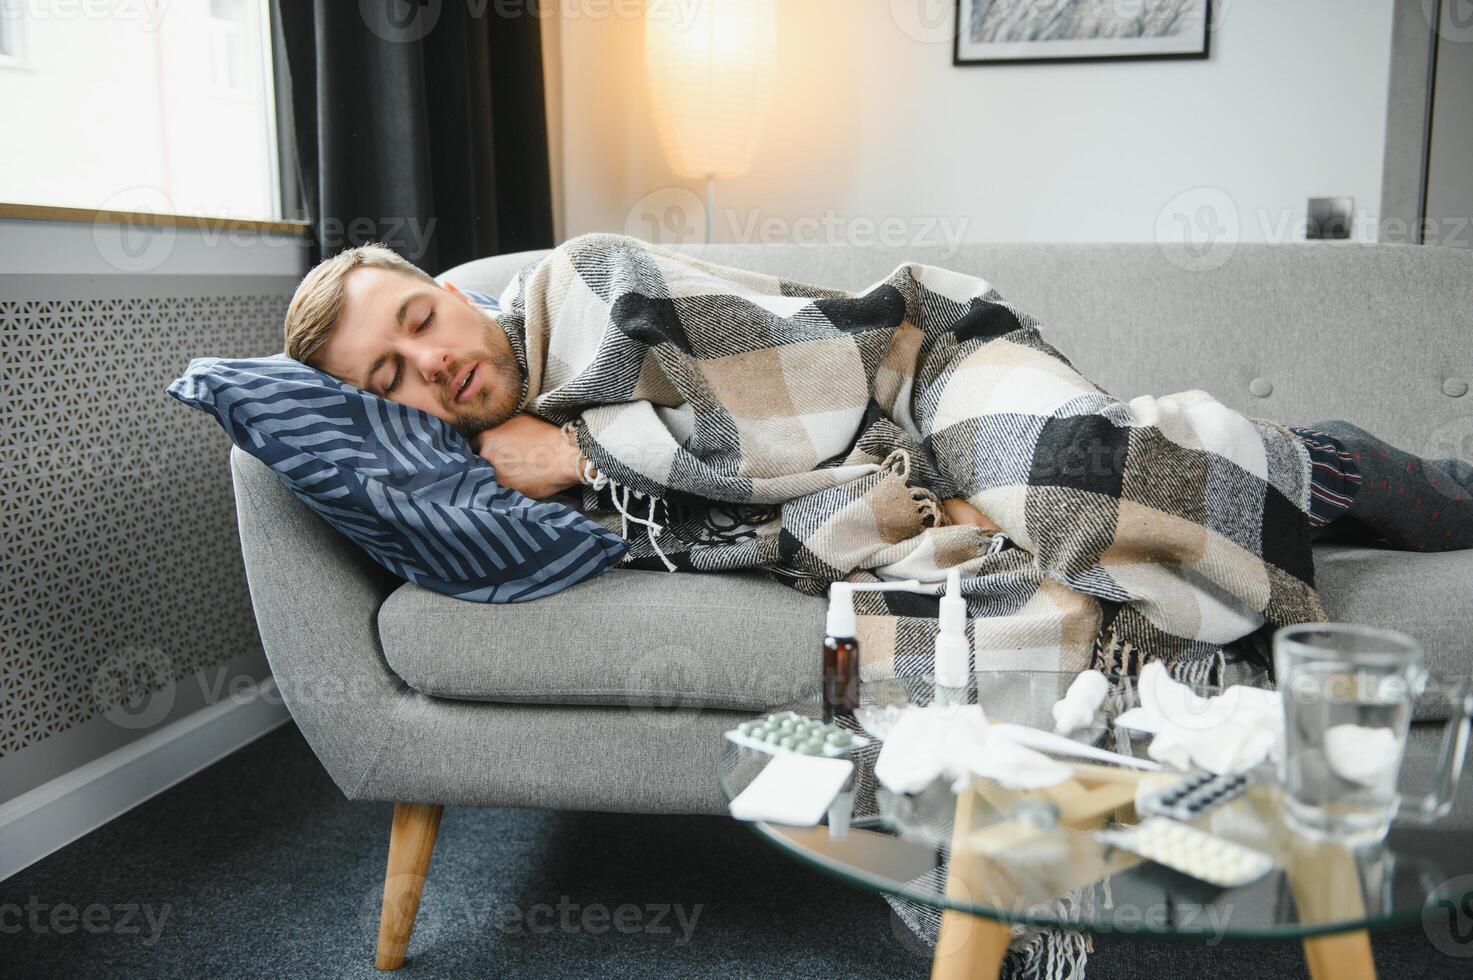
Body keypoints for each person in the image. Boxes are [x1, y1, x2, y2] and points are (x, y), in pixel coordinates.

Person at [282, 243, 1473, 553]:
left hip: (921, 363)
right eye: (387, 377)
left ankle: (1345, 465)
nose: (427, 362)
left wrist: (583, 461)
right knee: (995, 587)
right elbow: (731, 524)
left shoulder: (589, 280)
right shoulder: (489, 456)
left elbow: (788, 389)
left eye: (419, 322)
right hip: (886, 486)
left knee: (1051, 472)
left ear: (447, 292)